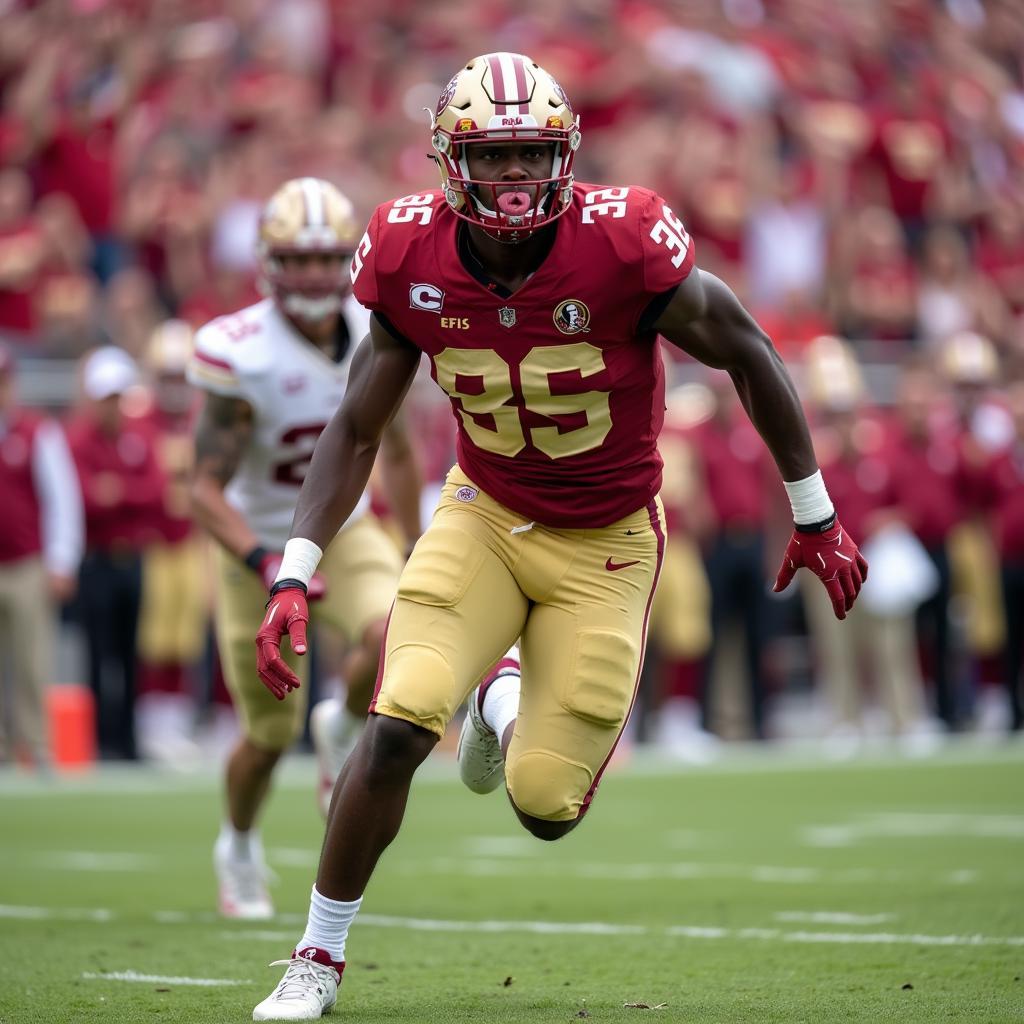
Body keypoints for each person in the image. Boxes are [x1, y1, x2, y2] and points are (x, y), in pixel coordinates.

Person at [250, 54, 867, 1021]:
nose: (514, 179)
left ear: (563, 156)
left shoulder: (623, 241)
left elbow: (747, 347)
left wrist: (815, 509)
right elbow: (359, 425)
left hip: (607, 539)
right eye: (493, 160)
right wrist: (296, 571)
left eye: (532, 156)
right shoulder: (408, 252)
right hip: (484, 512)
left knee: (545, 808)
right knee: (398, 720)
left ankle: (501, 705)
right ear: (452, 164)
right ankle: (316, 960)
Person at [187, 177, 419, 921]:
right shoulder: (240, 351)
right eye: (298, 259)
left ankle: (345, 724)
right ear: (268, 262)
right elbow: (202, 489)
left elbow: (403, 451)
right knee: (267, 734)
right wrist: (263, 561)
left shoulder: (379, 323)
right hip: (255, 543)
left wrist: (415, 544)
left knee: (398, 634)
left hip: (344, 532)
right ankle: (240, 843)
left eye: (327, 259)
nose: (316, 275)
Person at [66, 345, 166, 762]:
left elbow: (155, 491)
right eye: (106, 397)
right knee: (96, 653)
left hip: (131, 559)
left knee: (129, 654)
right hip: (96, 560)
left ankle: (126, 741)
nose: (112, 406)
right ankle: (97, 742)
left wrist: (117, 490)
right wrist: (123, 492)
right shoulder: (77, 439)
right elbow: (84, 497)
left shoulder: (138, 437)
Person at [0, 343, 82, 769]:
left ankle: (35, 745)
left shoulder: (35, 431)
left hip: (26, 563)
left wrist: (61, 559)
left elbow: (61, 499)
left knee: (32, 659)